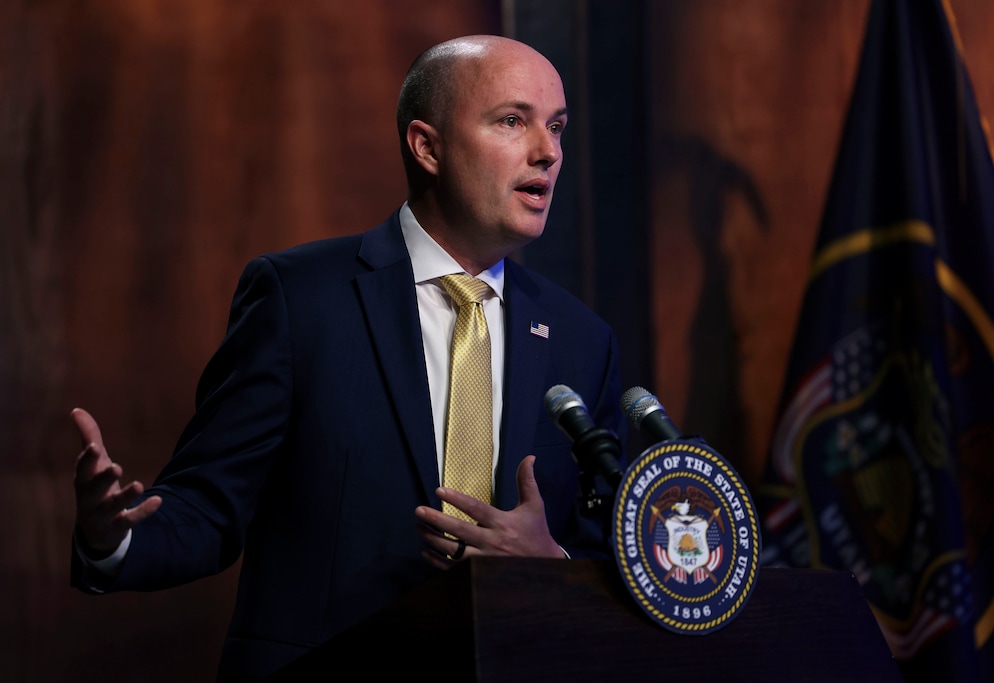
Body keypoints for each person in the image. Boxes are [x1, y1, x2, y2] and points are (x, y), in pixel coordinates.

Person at [71, 34, 625, 681]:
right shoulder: (299, 298)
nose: (548, 152)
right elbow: (210, 506)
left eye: (556, 127)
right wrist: (116, 538)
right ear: (427, 147)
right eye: (512, 121)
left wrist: (552, 565)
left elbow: (606, 555)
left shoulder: (582, 341)